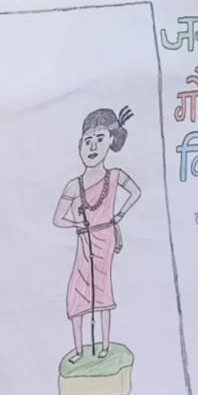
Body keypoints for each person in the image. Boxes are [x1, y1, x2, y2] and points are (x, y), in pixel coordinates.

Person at [53, 107, 142, 361]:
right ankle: (79, 350)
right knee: (77, 290)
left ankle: (104, 345)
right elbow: (58, 218)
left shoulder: (115, 176)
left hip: (105, 237)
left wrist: (119, 215)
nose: (92, 147)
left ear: (111, 141)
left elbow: (136, 192)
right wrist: (76, 222)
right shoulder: (74, 185)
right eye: (87, 141)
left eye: (99, 139)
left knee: (102, 289)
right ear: (79, 145)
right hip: (85, 239)